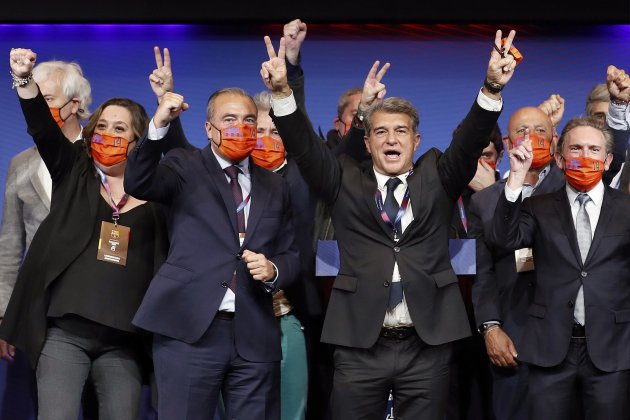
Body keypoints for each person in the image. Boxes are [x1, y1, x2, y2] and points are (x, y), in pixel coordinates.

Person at [262, 30, 518, 419]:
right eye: (380, 131)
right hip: (359, 343)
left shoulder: (438, 173)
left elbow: (469, 141)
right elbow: (304, 146)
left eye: (400, 131)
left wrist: (491, 88)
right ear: (366, 143)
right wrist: (282, 93)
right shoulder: (343, 178)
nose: (390, 139)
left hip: (427, 343)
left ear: (416, 140)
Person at [0, 47, 171, 420]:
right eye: (103, 127)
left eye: (120, 128)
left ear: (139, 138)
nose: (108, 134)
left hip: (125, 342)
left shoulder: (159, 191)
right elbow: (42, 127)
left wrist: (164, 111)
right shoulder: (74, 172)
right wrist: (24, 80)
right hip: (64, 334)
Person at [123, 87, 300, 419]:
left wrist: (274, 269)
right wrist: (159, 124)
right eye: (229, 119)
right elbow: (138, 181)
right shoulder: (184, 166)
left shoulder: (275, 185)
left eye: (249, 120)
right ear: (208, 128)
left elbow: (290, 254)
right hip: (189, 330)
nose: (241, 127)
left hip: (255, 334)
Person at [488, 66, 630, 419]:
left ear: (608, 160)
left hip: (613, 349)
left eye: (594, 150)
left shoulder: (627, 209)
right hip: (551, 349)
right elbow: (503, 240)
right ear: (561, 159)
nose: (586, 156)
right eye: (576, 149)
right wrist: (516, 182)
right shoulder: (537, 206)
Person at [0, 57, 92, 420]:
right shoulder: (20, 163)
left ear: (76, 105)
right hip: (40, 307)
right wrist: (4, 315)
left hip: (95, 301)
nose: (39, 107)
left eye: (48, 99)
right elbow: (10, 244)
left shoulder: (103, 155)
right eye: (33, 98)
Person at [468, 105, 566, 420]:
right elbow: (482, 273)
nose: (531, 138)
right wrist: (490, 327)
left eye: (541, 131)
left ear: (555, 140)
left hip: (569, 339)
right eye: (522, 132)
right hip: (512, 337)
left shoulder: (576, 190)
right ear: (509, 143)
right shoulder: (484, 200)